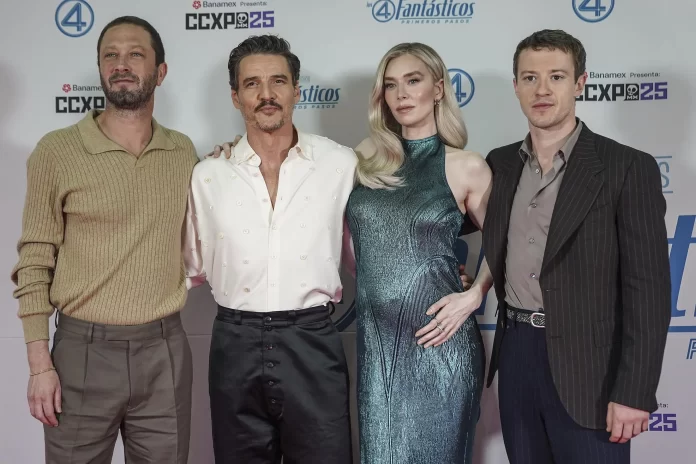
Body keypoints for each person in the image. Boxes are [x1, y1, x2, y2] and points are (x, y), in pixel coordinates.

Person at [473, 29, 671, 464]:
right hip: (517, 354)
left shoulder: (626, 167)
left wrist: (635, 391)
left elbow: (649, 292)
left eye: (556, 77)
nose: (542, 90)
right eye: (530, 78)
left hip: (591, 370)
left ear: (580, 83)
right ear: (516, 86)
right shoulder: (499, 164)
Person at [10, 16, 198, 463]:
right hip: (82, 352)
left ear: (161, 71)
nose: (121, 64)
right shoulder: (57, 151)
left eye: (135, 54)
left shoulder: (184, 152)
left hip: (165, 350)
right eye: (110, 55)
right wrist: (39, 364)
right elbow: (34, 260)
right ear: (100, 68)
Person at [183, 35, 355, 463]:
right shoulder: (207, 175)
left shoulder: (341, 164)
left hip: (312, 343)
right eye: (252, 84)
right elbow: (189, 267)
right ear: (235, 97)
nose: (266, 94)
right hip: (234, 345)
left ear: (297, 90)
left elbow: (373, 252)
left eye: (278, 81)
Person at [344, 42, 493, 464]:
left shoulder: (466, 166)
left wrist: (474, 295)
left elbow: (510, 244)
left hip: (441, 344)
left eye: (413, 81)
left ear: (439, 88)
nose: (402, 94)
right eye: (391, 85)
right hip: (377, 349)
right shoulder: (363, 158)